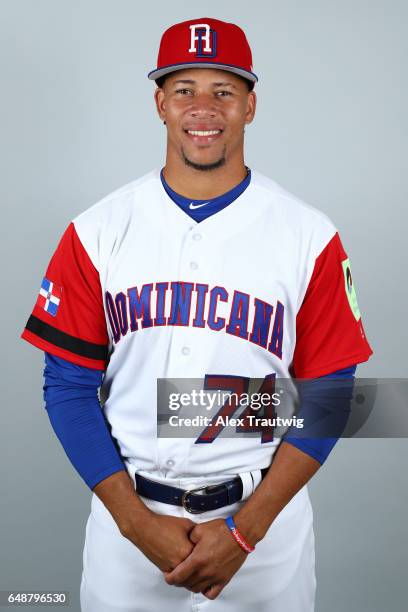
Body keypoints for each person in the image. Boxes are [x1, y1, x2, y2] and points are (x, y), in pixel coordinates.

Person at [21, 17, 373, 612]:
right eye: (184, 89)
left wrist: (244, 533)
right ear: (160, 103)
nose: (203, 107)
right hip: (129, 532)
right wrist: (135, 525)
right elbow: (68, 388)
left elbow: (332, 393)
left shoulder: (309, 236)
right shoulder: (96, 231)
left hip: (264, 537)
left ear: (250, 106)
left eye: (224, 91)